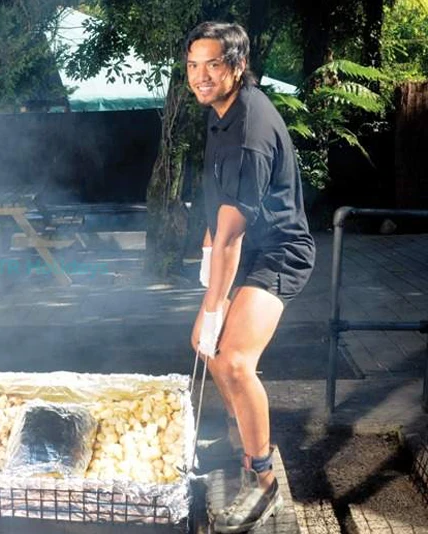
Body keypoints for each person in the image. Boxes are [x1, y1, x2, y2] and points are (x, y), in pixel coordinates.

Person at [185, 21, 315, 533]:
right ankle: (246, 437)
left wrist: (210, 309)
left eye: (213, 65)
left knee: (233, 358)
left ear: (237, 66)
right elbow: (220, 201)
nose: (201, 76)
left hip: (278, 252)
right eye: (193, 66)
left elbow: (235, 239)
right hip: (248, 246)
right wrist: (205, 246)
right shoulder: (220, 112)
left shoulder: (248, 132)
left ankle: (263, 482)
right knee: (214, 356)